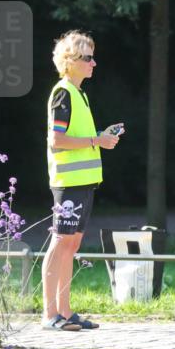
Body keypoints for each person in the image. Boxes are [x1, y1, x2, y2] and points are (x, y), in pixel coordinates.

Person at [42, 30, 122, 331]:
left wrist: (99, 139)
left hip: (84, 182)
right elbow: (57, 140)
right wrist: (96, 140)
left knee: (72, 244)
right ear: (70, 61)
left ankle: (65, 311)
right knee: (61, 242)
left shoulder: (80, 94)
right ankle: (50, 314)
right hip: (67, 182)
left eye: (92, 56)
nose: (93, 63)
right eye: (87, 58)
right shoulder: (62, 92)